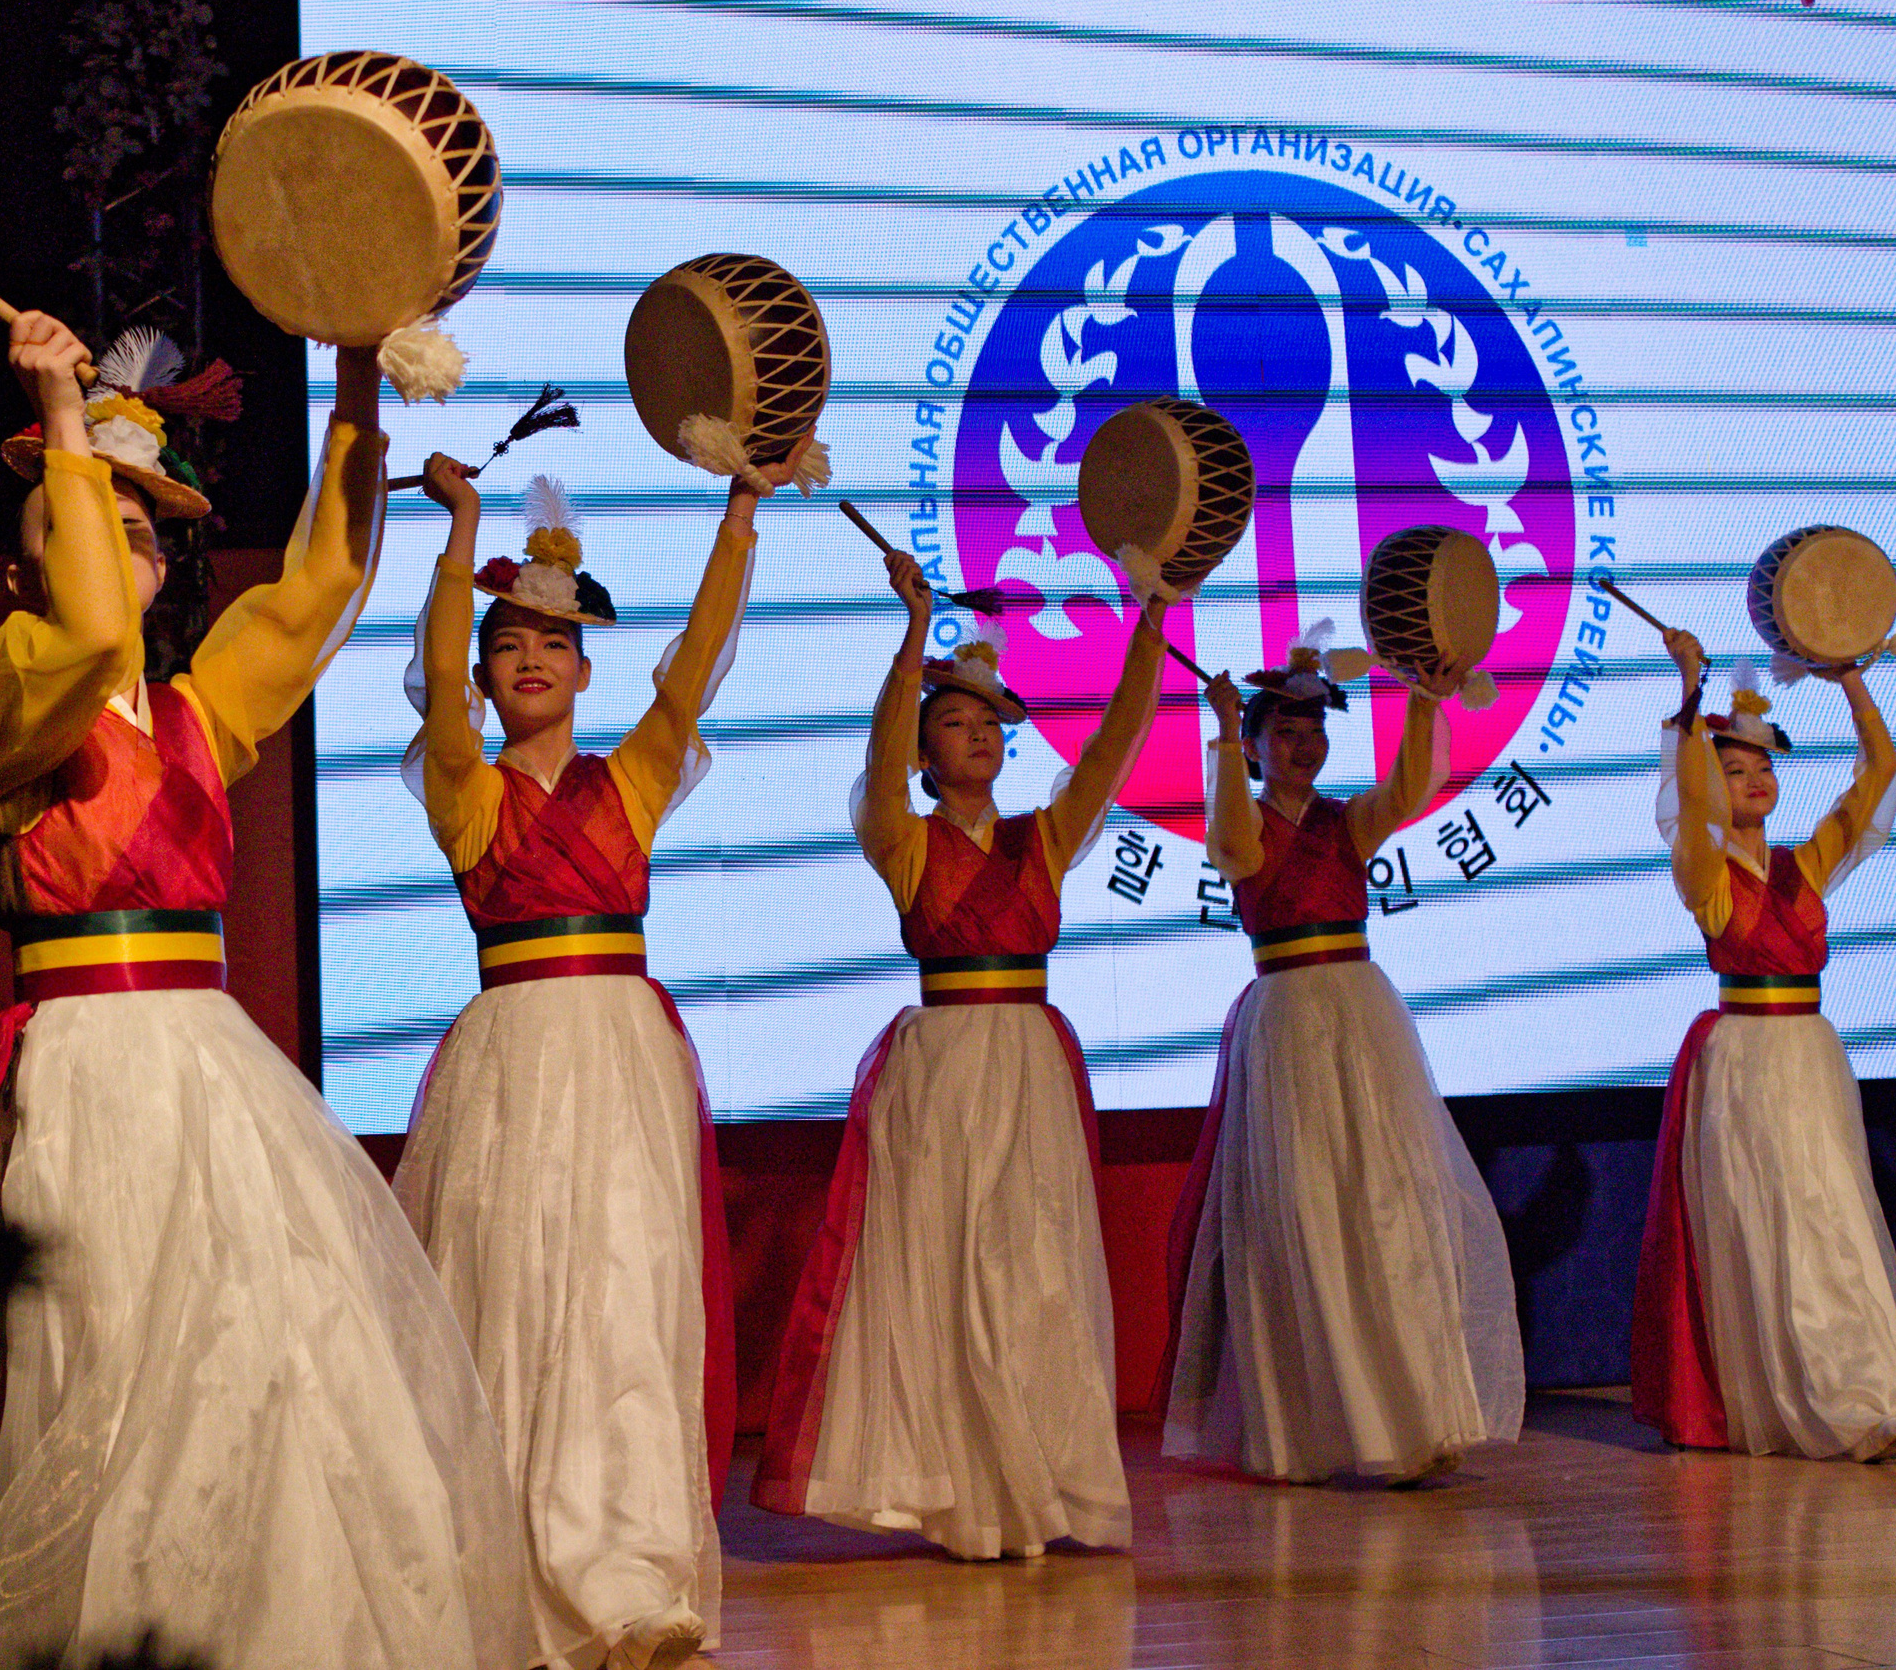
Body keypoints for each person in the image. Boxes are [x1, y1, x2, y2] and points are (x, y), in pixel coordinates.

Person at [0, 315, 529, 1668]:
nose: (126, 544)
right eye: (90, 513)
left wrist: (345, 370)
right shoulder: (13, 701)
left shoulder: (196, 713)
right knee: (110, 1378)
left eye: (152, 527)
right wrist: (56, 403)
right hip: (81, 1080)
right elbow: (92, 626)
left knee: (263, 1367)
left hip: (212, 1071)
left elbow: (326, 577)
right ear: (21, 551)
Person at [394, 449, 800, 1670]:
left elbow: (694, 677)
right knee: (512, 1308)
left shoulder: (632, 779)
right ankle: (509, 1568)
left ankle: (631, 1584)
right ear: (479, 668)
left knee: (625, 1310)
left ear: (584, 668)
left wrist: (739, 518)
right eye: (509, 640)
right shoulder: (464, 789)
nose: (532, 657)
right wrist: (462, 536)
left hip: (622, 1055)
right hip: (512, 1060)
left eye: (557, 645)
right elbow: (441, 714)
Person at [751, 548, 1166, 1559]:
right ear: (923, 751)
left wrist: (1152, 617)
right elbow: (881, 744)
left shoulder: (1043, 836)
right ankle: (957, 1495)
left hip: (1026, 1063)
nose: (975, 732)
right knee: (942, 1267)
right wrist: (910, 640)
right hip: (940, 1069)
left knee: (1033, 1270)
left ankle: (1040, 1483)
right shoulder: (900, 835)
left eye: (988, 722)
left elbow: (1113, 747)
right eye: (953, 721)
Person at [1160, 642, 1523, 1484]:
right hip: (1288, 1019)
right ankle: (1318, 1428)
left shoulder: (1343, 822)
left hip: (1360, 1014)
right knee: (1306, 1215)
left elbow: (1410, 790)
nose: (1304, 743)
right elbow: (1230, 845)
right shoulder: (1247, 823)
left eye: (1314, 727)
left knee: (1389, 1202)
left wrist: (1425, 701)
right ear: (1256, 744)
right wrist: (1219, 733)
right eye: (1285, 730)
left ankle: (1420, 1413)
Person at [1631, 634, 1896, 1461]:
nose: (1756, 779)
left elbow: (1874, 786)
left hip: (1810, 1057)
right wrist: (1689, 698)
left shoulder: (1804, 867)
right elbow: (1689, 804)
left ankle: (1866, 1391)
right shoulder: (1705, 872)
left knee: (1832, 1219)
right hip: (1745, 1064)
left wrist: (1853, 686)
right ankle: (1800, 1396)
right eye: (1735, 769)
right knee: (1765, 1232)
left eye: (1764, 767)